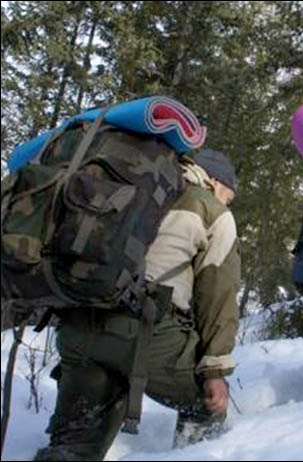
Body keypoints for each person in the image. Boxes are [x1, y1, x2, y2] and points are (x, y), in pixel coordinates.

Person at [35, 148, 242, 461]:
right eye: (229, 194)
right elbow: (218, 297)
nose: (228, 202)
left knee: (72, 446)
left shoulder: (126, 183)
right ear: (215, 180)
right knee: (206, 404)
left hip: (78, 323)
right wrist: (214, 371)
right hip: (142, 334)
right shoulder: (212, 211)